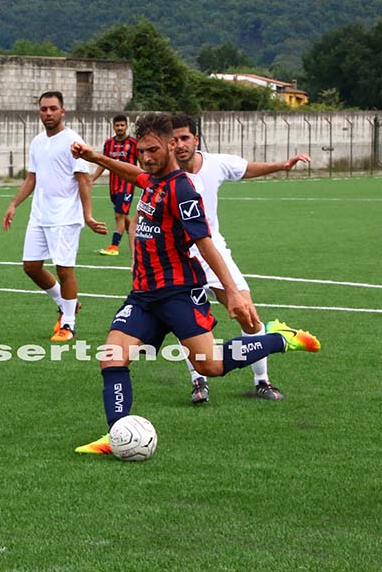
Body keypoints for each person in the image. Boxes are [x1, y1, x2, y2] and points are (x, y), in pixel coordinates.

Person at [69, 112, 319, 454]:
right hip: (143, 294)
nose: (146, 157)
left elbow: (205, 243)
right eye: (141, 151)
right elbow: (135, 174)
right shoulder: (153, 178)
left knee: (210, 365)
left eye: (153, 150)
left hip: (177, 293)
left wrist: (232, 292)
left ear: (172, 145)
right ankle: (117, 435)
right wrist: (97, 158)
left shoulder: (182, 189)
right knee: (112, 359)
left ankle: (280, 338)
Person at [172, 114, 311, 403]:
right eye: (174, 139)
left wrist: (282, 165)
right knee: (190, 325)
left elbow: (247, 168)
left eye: (185, 138)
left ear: (196, 139)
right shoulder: (165, 175)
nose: (180, 145)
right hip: (180, 260)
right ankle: (198, 381)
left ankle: (262, 380)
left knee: (249, 316)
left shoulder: (215, 164)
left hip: (215, 254)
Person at [3, 91, 106, 342]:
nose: (48, 113)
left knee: (64, 269)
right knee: (31, 267)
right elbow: (32, 178)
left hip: (65, 216)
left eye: (52, 108)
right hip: (39, 215)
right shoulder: (38, 141)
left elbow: (84, 181)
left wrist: (88, 216)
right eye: (43, 109)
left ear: (62, 111)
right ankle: (66, 302)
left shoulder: (73, 141)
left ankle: (68, 324)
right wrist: (14, 204)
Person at [92, 114, 138, 257]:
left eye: (122, 125)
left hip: (128, 184)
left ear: (127, 126)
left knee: (119, 214)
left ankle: (114, 246)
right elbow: (103, 163)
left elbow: (142, 162)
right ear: (113, 127)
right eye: (117, 125)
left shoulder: (133, 143)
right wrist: (92, 178)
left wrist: (148, 179)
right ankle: (139, 239)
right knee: (122, 215)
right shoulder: (108, 144)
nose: (119, 128)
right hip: (113, 186)